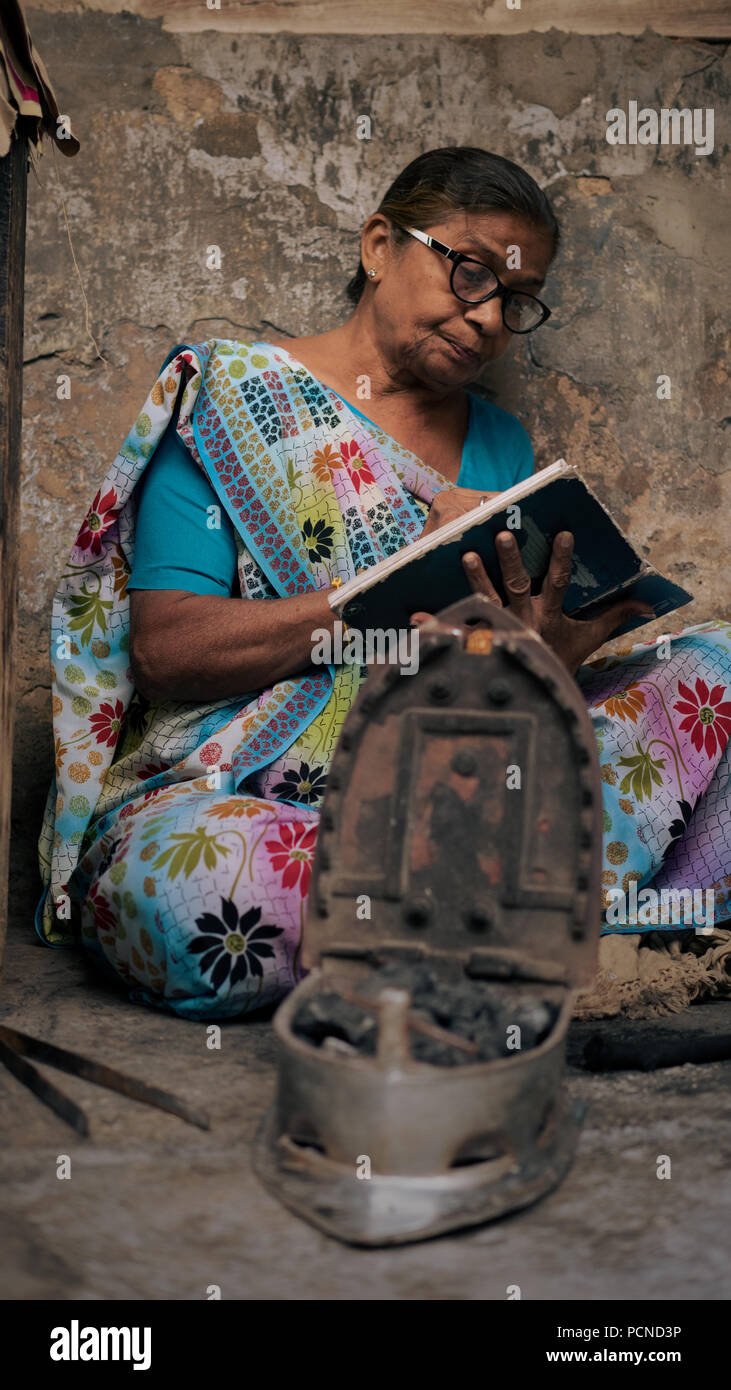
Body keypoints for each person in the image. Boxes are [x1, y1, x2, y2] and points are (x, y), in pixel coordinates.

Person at [37, 146, 731, 1019]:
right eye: (469, 272)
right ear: (377, 246)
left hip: (456, 789)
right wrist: (386, 586)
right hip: (257, 796)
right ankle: (564, 931)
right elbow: (169, 651)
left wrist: (541, 655)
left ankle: (454, 935)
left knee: (719, 666)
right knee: (201, 884)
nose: (487, 320)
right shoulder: (229, 397)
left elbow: (495, 702)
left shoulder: (500, 449)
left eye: (515, 300)